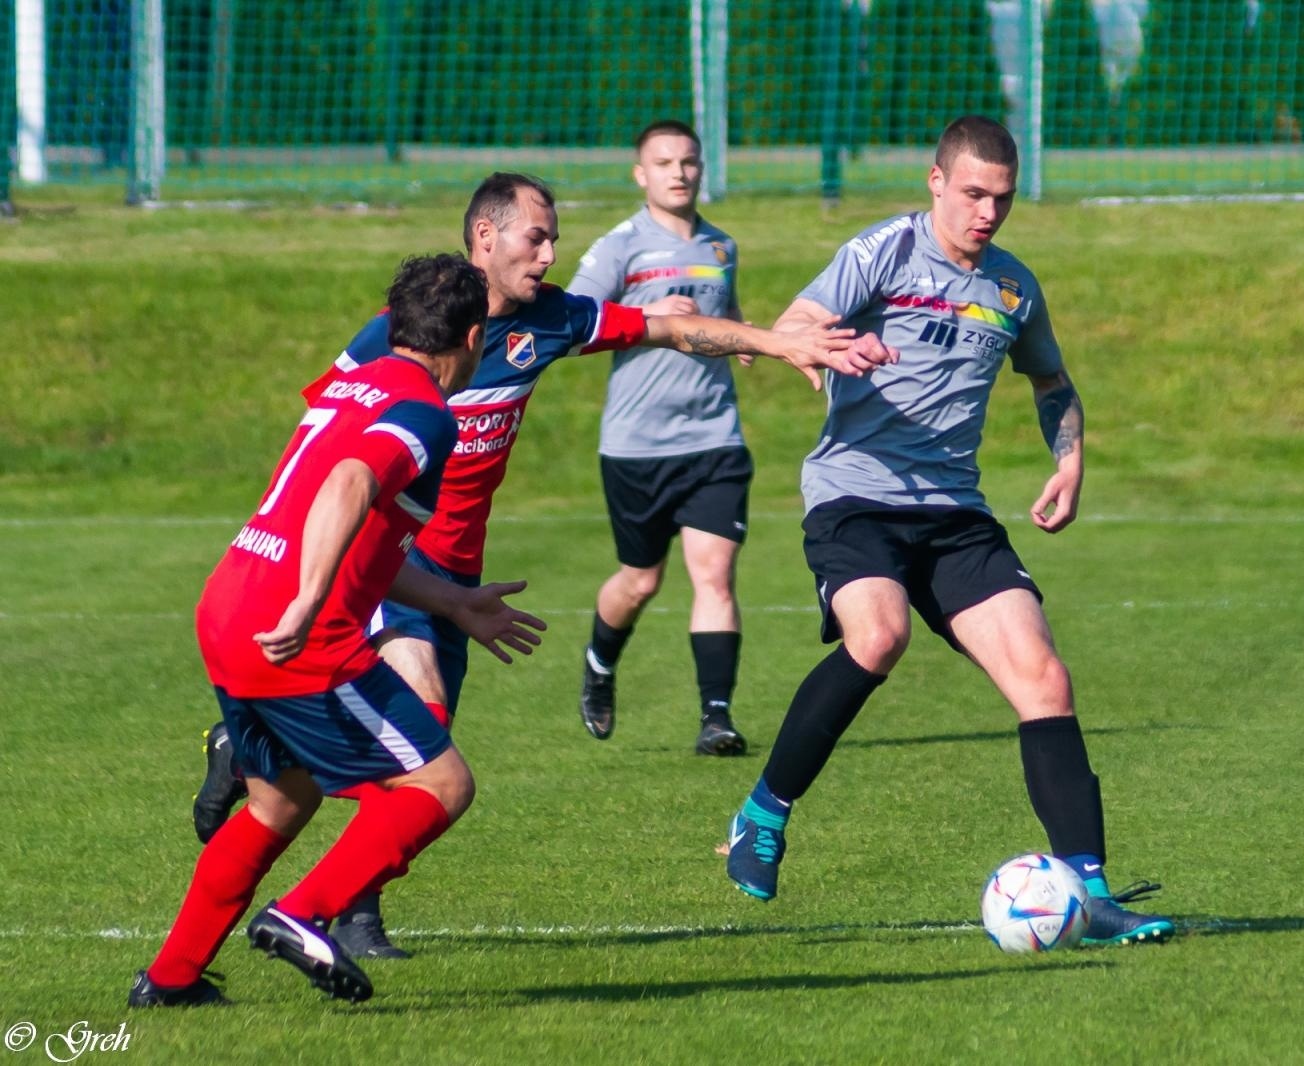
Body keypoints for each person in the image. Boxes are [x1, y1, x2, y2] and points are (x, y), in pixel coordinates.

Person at [191, 171, 893, 958]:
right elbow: (328, 445)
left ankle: (256, 763)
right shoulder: (397, 333)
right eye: (537, 237)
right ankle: (342, 911)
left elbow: (665, 329)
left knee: (421, 742)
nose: (552, 253)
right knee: (419, 736)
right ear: (484, 239)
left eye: (554, 238)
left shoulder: (553, 319)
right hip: (387, 568)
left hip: (458, 574)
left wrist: (774, 339)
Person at [722, 116, 1175, 946]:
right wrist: (829, 346)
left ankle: (1092, 892)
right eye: (972, 193)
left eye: (1001, 198)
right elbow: (789, 327)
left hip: (955, 514)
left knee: (1044, 679)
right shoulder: (883, 253)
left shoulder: (1012, 287)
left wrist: (1069, 459)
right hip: (854, 499)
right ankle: (763, 815)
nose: (987, 213)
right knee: (879, 634)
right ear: (936, 183)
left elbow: (1052, 382)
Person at [131, 254, 546, 1007]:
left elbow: (365, 537)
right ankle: (301, 916)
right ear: (475, 336)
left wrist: (452, 603)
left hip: (227, 605)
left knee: (280, 801)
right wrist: (308, 600)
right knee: (441, 783)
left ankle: (169, 980)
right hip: (296, 631)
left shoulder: (357, 382)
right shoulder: (424, 411)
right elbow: (349, 483)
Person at [565, 120, 753, 755]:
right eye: (665, 162)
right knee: (640, 581)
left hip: (714, 438)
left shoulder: (722, 247)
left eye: (690, 161)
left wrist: (744, 336)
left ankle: (716, 718)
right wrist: (649, 321)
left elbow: (725, 316)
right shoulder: (619, 247)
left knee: (715, 574)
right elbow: (573, 326)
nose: (679, 172)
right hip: (636, 445)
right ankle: (599, 663)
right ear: (640, 174)